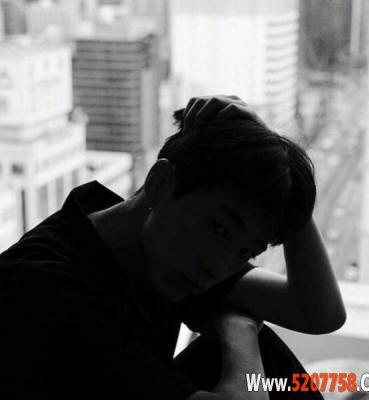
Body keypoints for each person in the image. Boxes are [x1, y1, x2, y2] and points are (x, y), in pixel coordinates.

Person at [0, 95, 346, 399]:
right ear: (159, 183)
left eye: (246, 251)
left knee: (259, 356)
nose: (218, 268)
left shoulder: (147, 242)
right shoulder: (46, 286)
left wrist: (274, 162)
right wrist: (238, 329)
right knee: (247, 355)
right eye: (219, 228)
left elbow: (319, 312)